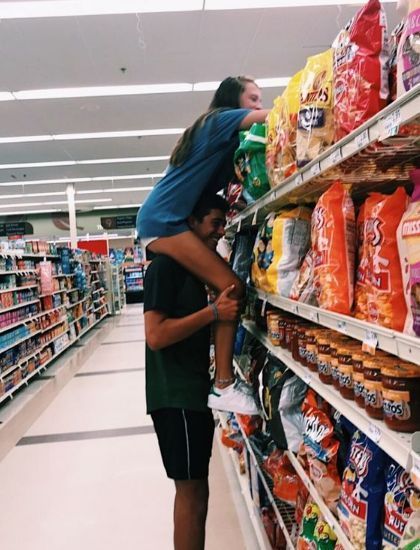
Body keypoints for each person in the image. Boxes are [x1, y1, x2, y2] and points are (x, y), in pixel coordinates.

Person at [137, 76, 270, 414]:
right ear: (233, 99)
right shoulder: (219, 119)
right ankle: (223, 385)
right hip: (163, 221)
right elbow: (272, 117)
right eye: (252, 98)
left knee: (223, 286)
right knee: (232, 286)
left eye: (259, 99)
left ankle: (221, 380)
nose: (257, 104)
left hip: (163, 219)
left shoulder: (213, 136)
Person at [144, 193, 240, 550]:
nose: (220, 230)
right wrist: (213, 314)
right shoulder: (165, 267)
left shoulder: (195, 269)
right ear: (191, 223)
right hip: (175, 396)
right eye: (214, 222)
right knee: (190, 492)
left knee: (198, 489)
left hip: (192, 393)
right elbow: (155, 335)